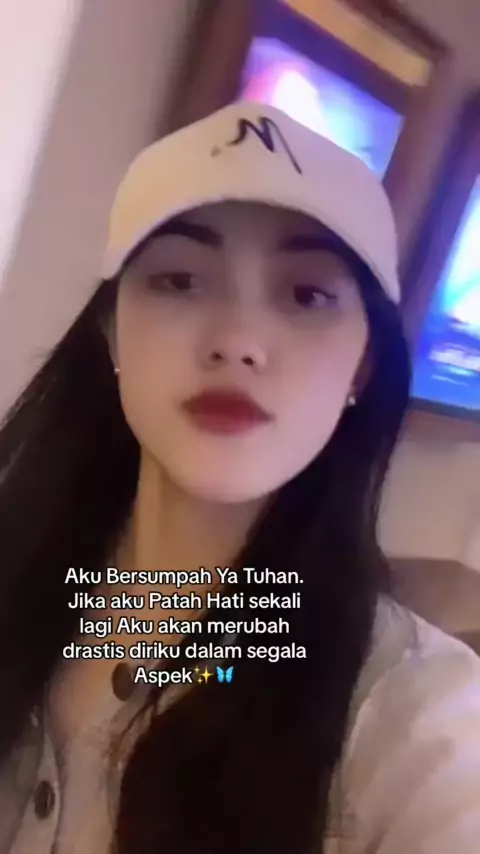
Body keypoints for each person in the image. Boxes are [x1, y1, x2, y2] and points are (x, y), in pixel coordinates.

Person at [0, 101, 479, 854]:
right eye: (180, 279)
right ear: (111, 330)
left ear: (363, 365)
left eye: (307, 294)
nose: (237, 341)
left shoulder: (426, 722)